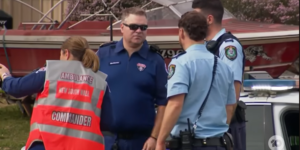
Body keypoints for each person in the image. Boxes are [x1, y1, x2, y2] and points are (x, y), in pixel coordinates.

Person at [0, 36, 112, 150]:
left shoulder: (50, 72)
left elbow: (16, 88)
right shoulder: (100, 82)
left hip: (46, 145)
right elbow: (108, 122)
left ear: (66, 53)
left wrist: (5, 75)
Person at [155, 11, 236, 150]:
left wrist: (160, 140)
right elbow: (230, 106)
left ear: (181, 32)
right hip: (218, 143)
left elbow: (175, 105)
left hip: (191, 143)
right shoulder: (223, 66)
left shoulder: (180, 63)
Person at [96, 7, 168, 150]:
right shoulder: (103, 55)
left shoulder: (155, 60)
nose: (139, 31)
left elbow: (163, 103)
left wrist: (155, 137)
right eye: (134, 27)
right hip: (106, 140)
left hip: (141, 142)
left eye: (143, 27)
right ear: (122, 27)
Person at [192, 1, 246, 150]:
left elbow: (232, 92)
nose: (192, 22)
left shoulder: (228, 46)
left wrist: (220, 132)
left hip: (223, 130)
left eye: (195, 17)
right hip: (207, 131)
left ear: (209, 19)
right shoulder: (203, 46)